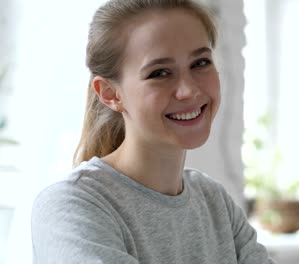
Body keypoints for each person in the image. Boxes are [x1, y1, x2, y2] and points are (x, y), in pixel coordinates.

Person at [31, 0, 275, 263]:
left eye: (200, 63)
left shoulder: (215, 202)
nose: (189, 90)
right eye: (160, 73)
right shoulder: (73, 206)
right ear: (110, 93)